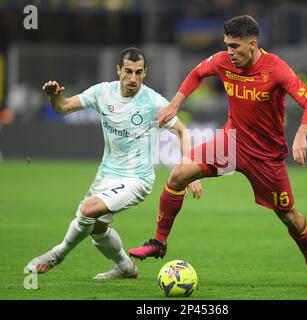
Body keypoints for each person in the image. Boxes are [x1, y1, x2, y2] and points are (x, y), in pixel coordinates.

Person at [129, 16, 307, 289]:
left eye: (235, 46)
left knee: (290, 218)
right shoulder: (224, 61)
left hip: (265, 157)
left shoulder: (276, 69)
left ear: (252, 44)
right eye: (227, 45)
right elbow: (197, 73)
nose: (230, 52)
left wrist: (301, 134)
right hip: (231, 143)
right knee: (179, 174)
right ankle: (158, 242)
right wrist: (176, 103)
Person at [25, 47, 201, 280]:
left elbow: (182, 131)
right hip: (106, 174)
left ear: (145, 73)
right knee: (98, 230)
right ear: (118, 70)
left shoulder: (153, 102)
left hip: (137, 179)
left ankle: (57, 254)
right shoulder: (102, 93)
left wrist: (191, 172)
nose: (133, 78)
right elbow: (64, 107)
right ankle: (126, 268)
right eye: (128, 71)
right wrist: (54, 96)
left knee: (88, 210)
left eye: (139, 73)